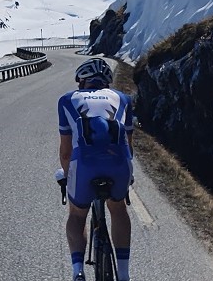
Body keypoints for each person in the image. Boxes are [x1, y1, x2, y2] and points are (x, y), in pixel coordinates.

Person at [57, 57, 134, 281]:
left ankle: (78, 271)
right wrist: (129, 176)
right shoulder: (123, 98)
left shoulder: (66, 100)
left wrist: (66, 175)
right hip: (119, 163)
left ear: (82, 82)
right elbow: (129, 146)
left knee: (77, 213)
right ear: (107, 82)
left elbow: (65, 152)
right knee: (118, 209)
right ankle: (124, 274)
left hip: (85, 165)